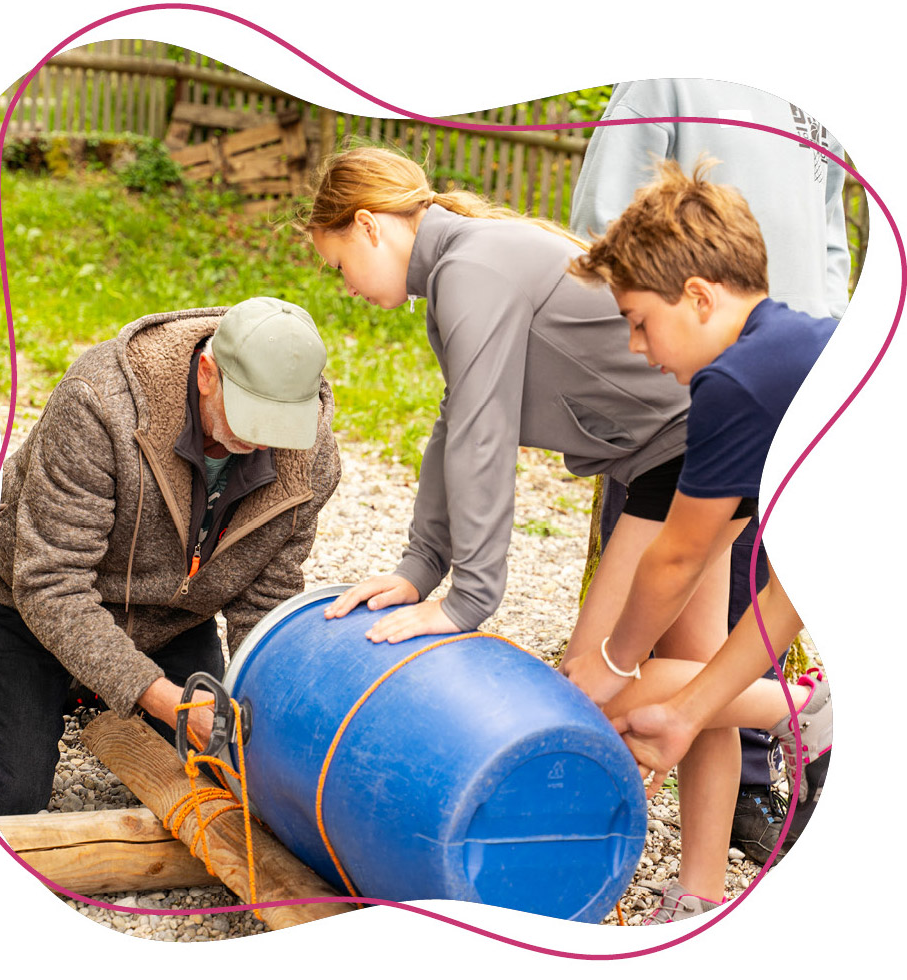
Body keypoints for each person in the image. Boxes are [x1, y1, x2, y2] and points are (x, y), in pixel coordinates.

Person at [304, 146, 749, 911]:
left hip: (690, 445)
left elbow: (484, 437)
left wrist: (465, 599)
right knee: (692, 664)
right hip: (685, 445)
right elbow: (456, 428)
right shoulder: (459, 271)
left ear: (370, 226)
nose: (343, 283)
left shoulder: (471, 269)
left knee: (589, 676)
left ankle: (798, 707)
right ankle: (702, 892)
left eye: (338, 261)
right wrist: (420, 565)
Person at [569, 77, 850, 863]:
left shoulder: (734, 383)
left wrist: (611, 663)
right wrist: (690, 709)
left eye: (638, 324)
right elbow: (779, 591)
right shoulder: (788, 346)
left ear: (695, 296)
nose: (634, 348)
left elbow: (678, 556)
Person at [0, 297, 341, 816]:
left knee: (220, 778)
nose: (262, 441)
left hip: (173, 619)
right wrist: (160, 697)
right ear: (207, 373)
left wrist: (271, 703)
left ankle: (91, 687)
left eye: (280, 424)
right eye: (252, 416)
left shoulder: (311, 452)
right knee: (10, 797)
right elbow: (51, 584)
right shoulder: (99, 401)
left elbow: (266, 595)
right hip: (37, 610)